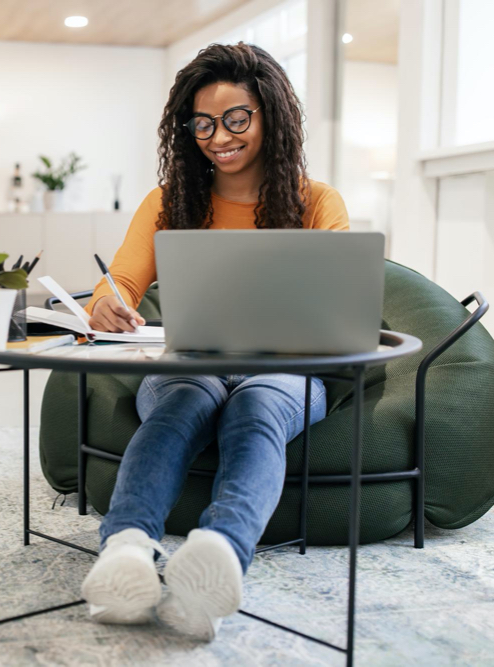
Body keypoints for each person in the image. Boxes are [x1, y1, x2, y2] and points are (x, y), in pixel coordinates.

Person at [79, 42, 350, 640]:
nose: (217, 136)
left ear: (270, 117)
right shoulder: (168, 202)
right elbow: (121, 278)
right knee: (181, 403)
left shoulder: (317, 202)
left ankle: (219, 553)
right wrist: (106, 301)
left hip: (286, 370)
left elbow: (337, 298)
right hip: (193, 363)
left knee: (257, 409)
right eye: (202, 122)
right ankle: (124, 549)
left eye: (235, 119)